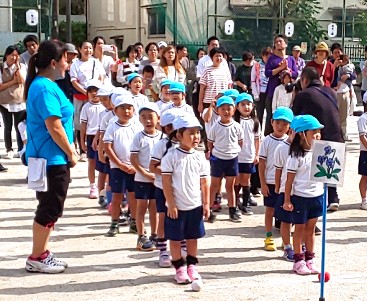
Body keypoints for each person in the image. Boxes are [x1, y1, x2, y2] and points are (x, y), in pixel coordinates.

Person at [24, 40, 78, 273]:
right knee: (49, 207)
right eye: (66, 60)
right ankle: (36, 256)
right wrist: (71, 152)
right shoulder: (44, 88)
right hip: (50, 158)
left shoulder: (47, 84)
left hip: (53, 158)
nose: (68, 65)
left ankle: (42, 252)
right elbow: (54, 126)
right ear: (54, 62)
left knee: (52, 207)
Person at [161, 114, 210, 284]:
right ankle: (179, 267)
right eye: (191, 133)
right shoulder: (171, 156)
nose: (195, 137)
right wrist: (171, 204)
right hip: (177, 207)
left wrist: (206, 203)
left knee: (192, 237)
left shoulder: (199, 157)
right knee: (175, 238)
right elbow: (166, 182)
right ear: (179, 135)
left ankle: (191, 265)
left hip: (194, 205)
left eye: (197, 133)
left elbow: (204, 182)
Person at [292, 66, 344, 211]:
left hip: (318, 136)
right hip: (336, 135)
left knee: (319, 169)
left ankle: (321, 198)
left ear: (304, 80)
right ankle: (333, 198)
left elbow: (294, 116)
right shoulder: (331, 91)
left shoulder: (304, 94)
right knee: (330, 168)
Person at [283, 115, 324, 275]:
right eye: (314, 132)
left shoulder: (320, 153)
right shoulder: (295, 157)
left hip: (317, 196)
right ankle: (298, 260)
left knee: (311, 229)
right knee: (299, 228)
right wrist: (287, 199)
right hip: (300, 197)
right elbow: (289, 181)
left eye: (319, 132)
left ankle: (310, 258)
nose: (318, 135)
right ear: (301, 134)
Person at [103, 94, 141, 236]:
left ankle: (134, 221)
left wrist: (135, 165)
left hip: (134, 168)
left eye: (129, 108)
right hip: (117, 168)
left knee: (133, 195)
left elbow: (140, 147)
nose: (126, 111)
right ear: (115, 110)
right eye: (122, 108)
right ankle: (114, 222)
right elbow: (107, 147)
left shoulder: (137, 126)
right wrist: (119, 163)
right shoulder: (112, 127)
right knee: (117, 195)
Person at [149, 109, 182, 267]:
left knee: (181, 218)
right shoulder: (162, 145)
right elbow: (152, 166)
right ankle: (163, 250)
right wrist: (167, 171)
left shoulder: (185, 145)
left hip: (180, 189)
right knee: (162, 218)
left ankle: (182, 247)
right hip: (162, 188)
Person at [259, 107, 293, 251]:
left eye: (284, 124)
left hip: (286, 184)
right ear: (272, 122)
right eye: (278, 123)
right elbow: (261, 163)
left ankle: (287, 240)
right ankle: (268, 236)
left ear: (290, 126)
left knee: (287, 213)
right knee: (270, 210)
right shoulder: (266, 141)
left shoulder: (291, 143)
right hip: (270, 182)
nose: (280, 127)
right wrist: (263, 183)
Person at [208, 96, 244, 222]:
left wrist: (233, 152)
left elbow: (240, 142)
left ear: (234, 110)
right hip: (218, 159)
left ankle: (232, 210)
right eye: (222, 109)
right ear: (217, 110)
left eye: (229, 108)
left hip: (232, 159)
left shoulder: (237, 126)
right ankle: (209, 209)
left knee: (230, 186)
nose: (226, 111)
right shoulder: (215, 127)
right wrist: (213, 153)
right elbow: (210, 142)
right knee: (214, 185)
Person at [130, 102, 161, 251]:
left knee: (154, 207)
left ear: (158, 118)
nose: (148, 121)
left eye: (151, 117)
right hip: (142, 179)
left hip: (157, 180)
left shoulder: (163, 137)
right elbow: (133, 159)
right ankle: (141, 236)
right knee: (141, 207)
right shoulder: (138, 137)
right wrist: (145, 173)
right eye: (144, 117)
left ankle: (155, 235)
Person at [70, 40, 106, 162]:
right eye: (85, 48)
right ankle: (82, 149)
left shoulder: (96, 62)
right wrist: (86, 92)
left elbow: (101, 77)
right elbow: (74, 81)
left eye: (90, 48)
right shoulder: (75, 64)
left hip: (96, 96)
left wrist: (96, 92)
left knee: (96, 121)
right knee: (80, 123)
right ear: (80, 49)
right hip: (81, 97)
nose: (88, 50)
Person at [264, 35, 298, 136]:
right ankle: (269, 138)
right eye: (276, 42)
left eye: (280, 41)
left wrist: (288, 71)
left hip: (288, 93)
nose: (278, 43)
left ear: (286, 44)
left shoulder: (291, 59)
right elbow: (267, 73)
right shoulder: (271, 59)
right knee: (272, 115)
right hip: (273, 91)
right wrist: (280, 69)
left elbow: (296, 74)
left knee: (287, 116)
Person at [274, 119, 297, 261]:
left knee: (300, 220)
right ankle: (287, 246)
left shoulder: (308, 148)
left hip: (301, 190)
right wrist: (278, 187)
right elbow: (278, 170)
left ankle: (300, 244)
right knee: (286, 220)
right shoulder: (282, 148)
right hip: (285, 188)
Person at [234, 93, 260, 215]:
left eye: (248, 104)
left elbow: (257, 139)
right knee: (236, 180)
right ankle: (234, 202)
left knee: (246, 180)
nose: (246, 107)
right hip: (237, 156)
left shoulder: (255, 122)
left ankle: (245, 204)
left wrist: (257, 154)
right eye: (243, 104)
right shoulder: (235, 121)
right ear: (237, 107)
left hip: (249, 156)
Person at [0, 45, 27, 159]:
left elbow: (21, 81)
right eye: (12, 55)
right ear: (7, 55)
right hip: (4, 101)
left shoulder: (21, 66)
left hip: (19, 100)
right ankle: (9, 148)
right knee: (8, 126)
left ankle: (20, 148)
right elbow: (0, 86)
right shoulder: (1, 68)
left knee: (19, 126)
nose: (14, 58)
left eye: (16, 55)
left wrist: (17, 69)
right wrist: (13, 81)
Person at [80, 80, 105, 199]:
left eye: (96, 90)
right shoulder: (86, 107)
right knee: (92, 161)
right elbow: (83, 125)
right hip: (90, 136)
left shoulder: (104, 106)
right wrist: (82, 141)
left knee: (103, 162)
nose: (94, 93)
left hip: (103, 137)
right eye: (91, 91)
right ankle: (92, 185)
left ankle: (104, 186)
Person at [198, 47, 232, 113]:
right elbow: (202, 89)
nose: (218, 58)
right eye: (216, 56)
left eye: (220, 56)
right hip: (208, 103)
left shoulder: (225, 70)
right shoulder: (207, 70)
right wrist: (200, 104)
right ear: (212, 58)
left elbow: (229, 86)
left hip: (222, 103)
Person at [251, 47, 272, 128]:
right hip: (260, 93)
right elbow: (253, 80)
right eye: (266, 56)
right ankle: (257, 132)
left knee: (269, 113)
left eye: (270, 56)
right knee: (259, 114)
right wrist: (255, 94)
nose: (268, 58)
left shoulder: (273, 65)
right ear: (262, 56)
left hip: (269, 92)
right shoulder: (257, 65)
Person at [358, 108, 367, 210]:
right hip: (365, 152)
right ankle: (364, 199)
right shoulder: (363, 119)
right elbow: (362, 136)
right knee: (365, 176)